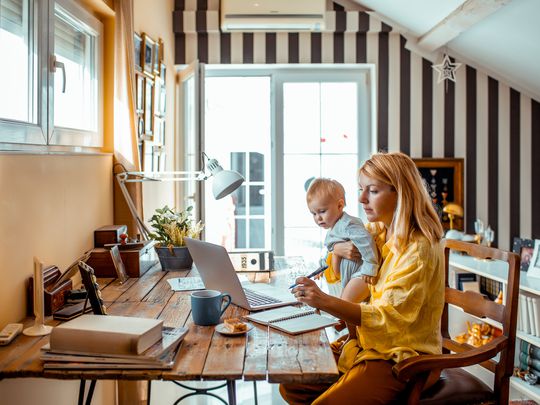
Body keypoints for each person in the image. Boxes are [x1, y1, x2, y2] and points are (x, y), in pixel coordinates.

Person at [280, 152, 445, 404]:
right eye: (360, 189)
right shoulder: (378, 231)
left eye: (373, 191)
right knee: (291, 386)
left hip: (403, 358)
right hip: (369, 345)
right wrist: (335, 250)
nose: (361, 199)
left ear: (400, 192)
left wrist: (323, 301)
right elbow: (339, 264)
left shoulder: (418, 249)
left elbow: (387, 318)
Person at [306, 177, 379, 293]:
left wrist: (370, 266)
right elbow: (330, 252)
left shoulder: (347, 224)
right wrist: (322, 267)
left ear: (340, 205)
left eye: (322, 211)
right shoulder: (333, 229)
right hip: (345, 280)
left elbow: (366, 241)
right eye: (313, 213)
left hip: (360, 276)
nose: (318, 218)